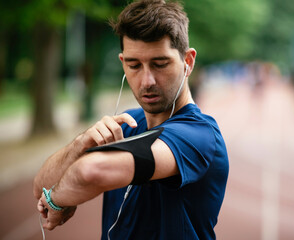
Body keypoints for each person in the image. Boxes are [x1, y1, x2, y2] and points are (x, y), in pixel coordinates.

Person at [33, 0, 229, 239]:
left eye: (160, 64)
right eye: (134, 65)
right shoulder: (128, 122)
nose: (147, 80)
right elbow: (39, 185)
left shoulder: (200, 135)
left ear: (187, 62)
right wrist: (81, 143)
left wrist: (56, 200)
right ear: (122, 63)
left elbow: (91, 173)